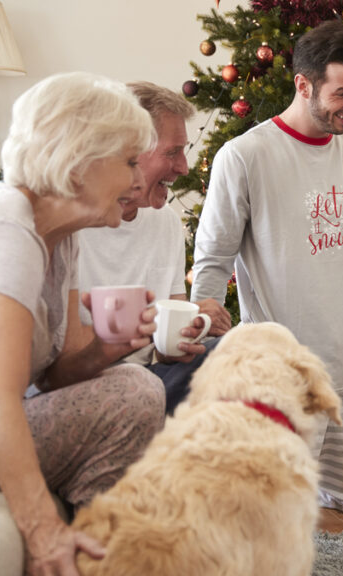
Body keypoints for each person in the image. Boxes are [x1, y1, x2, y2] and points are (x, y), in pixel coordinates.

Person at [190, 19, 343, 515]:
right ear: (303, 85)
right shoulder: (244, 157)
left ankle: (301, 485)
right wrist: (202, 311)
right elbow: (212, 258)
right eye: (342, 93)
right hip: (285, 374)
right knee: (275, 514)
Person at [0, 73, 165, 576]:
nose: (137, 178)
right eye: (127, 161)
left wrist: (106, 351)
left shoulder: (59, 237)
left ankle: (109, 571)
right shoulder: (6, 232)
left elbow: (54, 378)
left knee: (129, 382)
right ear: (79, 162)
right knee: (136, 392)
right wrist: (41, 534)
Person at [77, 82, 231, 413]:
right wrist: (149, 328)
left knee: (243, 348)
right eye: (172, 152)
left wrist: (189, 331)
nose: (184, 168)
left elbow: (166, 349)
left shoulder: (165, 223)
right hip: (83, 384)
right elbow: (55, 358)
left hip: (151, 378)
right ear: (128, 150)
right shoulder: (69, 227)